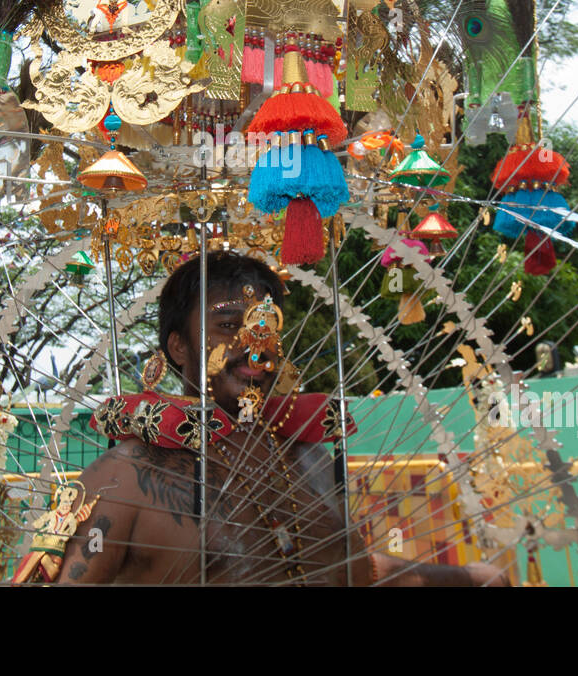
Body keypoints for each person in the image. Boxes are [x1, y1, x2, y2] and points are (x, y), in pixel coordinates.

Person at [41, 251, 508, 586]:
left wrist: (476, 578)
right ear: (177, 346)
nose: (255, 346)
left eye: (267, 326)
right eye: (229, 326)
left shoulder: (309, 459)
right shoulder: (125, 476)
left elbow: (351, 572)